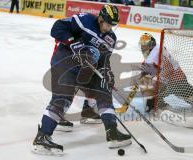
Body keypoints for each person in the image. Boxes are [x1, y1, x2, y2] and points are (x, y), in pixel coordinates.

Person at [32, 5, 131, 154]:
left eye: (113, 25)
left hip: (85, 70)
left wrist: (106, 72)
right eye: (108, 23)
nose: (110, 28)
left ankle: (112, 131)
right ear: (101, 18)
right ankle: (42, 137)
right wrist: (73, 42)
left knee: (103, 89)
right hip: (65, 63)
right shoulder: (85, 20)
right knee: (63, 99)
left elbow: (104, 60)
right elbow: (57, 28)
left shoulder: (111, 38)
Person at [137, 33, 193, 112]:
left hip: (177, 79)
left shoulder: (157, 52)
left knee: (192, 97)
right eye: (141, 45)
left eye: (144, 45)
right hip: (168, 79)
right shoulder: (155, 50)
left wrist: (159, 81)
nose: (142, 48)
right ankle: (158, 105)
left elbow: (168, 68)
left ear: (151, 45)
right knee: (148, 91)